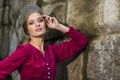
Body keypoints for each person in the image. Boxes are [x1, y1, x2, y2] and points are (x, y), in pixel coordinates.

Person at [0, 4, 88, 80]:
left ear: (45, 24)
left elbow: (81, 41)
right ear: (27, 30)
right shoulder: (24, 51)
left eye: (40, 20)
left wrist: (58, 26)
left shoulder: (52, 51)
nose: (37, 24)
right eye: (31, 23)